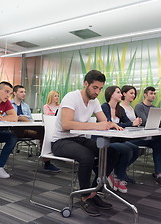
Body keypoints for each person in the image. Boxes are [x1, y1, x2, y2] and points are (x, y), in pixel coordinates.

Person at [51, 70, 120, 217]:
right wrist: (97, 126)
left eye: (100, 89)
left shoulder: (94, 102)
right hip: (60, 141)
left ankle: (93, 192)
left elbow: (103, 121)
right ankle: (84, 196)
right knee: (86, 156)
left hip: (78, 139)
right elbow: (66, 124)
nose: (97, 92)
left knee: (112, 152)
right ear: (86, 84)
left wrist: (111, 124)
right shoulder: (72, 97)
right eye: (95, 88)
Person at [120, 85, 161, 188]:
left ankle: (160, 174)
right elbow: (140, 122)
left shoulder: (131, 108)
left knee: (158, 141)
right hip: (131, 138)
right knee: (159, 141)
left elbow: (145, 122)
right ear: (124, 94)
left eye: (134, 93)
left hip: (139, 134)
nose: (133, 95)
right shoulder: (127, 107)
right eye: (131, 93)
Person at [101, 86, 142, 193]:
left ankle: (116, 172)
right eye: (118, 92)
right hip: (104, 140)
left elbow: (128, 123)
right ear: (111, 94)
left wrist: (135, 123)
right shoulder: (104, 107)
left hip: (117, 139)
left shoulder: (120, 109)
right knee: (127, 150)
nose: (121, 95)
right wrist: (127, 124)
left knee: (136, 150)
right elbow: (108, 123)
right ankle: (119, 177)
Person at [11, 85, 60, 172]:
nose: (24, 94)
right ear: (15, 93)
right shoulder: (9, 105)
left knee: (44, 131)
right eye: (21, 92)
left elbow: (30, 120)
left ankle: (47, 161)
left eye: (25, 92)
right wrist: (19, 118)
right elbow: (7, 118)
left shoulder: (25, 106)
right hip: (12, 130)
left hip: (25, 130)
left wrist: (20, 118)